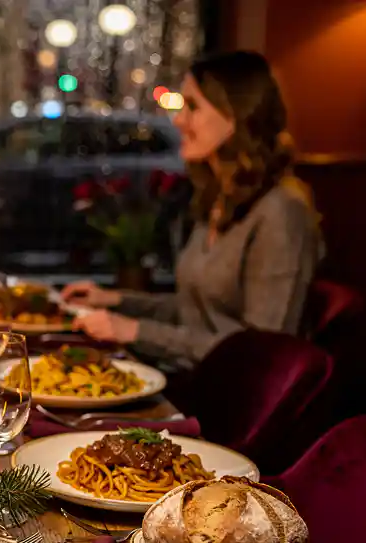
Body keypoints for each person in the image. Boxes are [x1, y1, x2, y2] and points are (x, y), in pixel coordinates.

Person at [63, 50, 322, 369]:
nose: (178, 119)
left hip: (239, 406)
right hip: (196, 382)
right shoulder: (219, 199)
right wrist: (116, 301)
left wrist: (134, 331)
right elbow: (194, 312)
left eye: (193, 106)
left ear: (237, 115)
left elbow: (263, 353)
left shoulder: (281, 213)